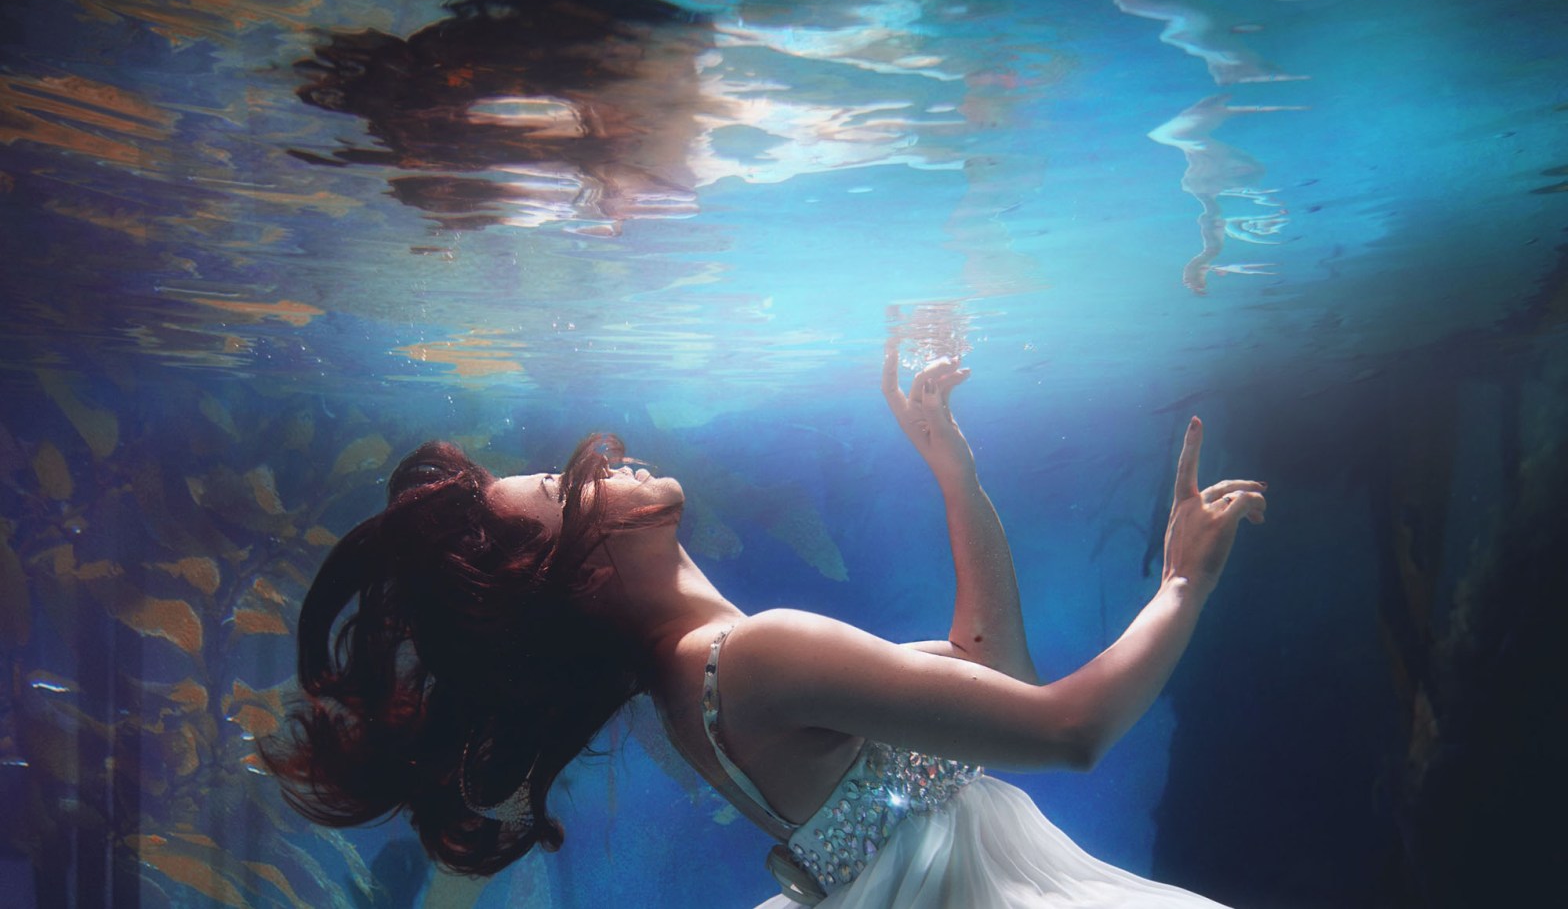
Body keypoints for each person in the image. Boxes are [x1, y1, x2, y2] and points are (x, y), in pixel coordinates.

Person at [264, 342, 1266, 907]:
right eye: (573, 484)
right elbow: (1062, 731)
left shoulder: (691, 681)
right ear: (581, 568)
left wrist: (952, 471)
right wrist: (1181, 581)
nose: (607, 462)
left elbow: (987, 670)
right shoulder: (754, 655)